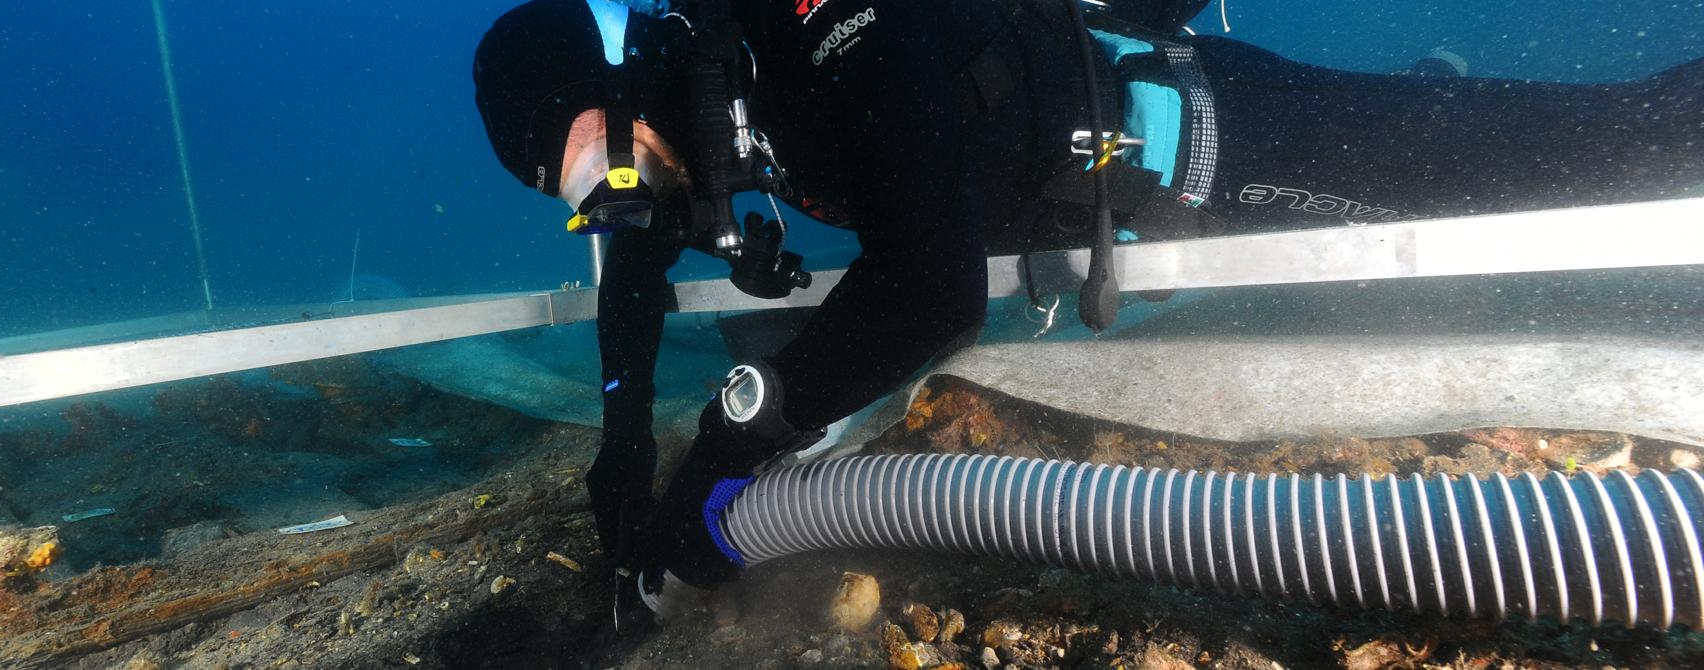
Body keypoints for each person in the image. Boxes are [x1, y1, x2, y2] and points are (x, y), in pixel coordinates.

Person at [471, 0, 1702, 618]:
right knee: (1463, 144)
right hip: (1117, 217)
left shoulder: (809, 25)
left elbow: (932, 289)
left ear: (623, 75)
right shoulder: (698, 117)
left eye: (592, 161)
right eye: (574, 198)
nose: (615, 201)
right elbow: (635, 265)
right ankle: (1437, 100)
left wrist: (737, 438)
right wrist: (626, 448)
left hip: (1200, 146)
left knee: (1581, 156)